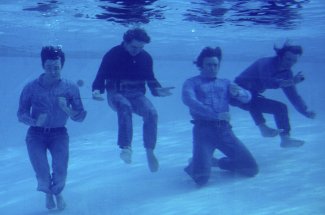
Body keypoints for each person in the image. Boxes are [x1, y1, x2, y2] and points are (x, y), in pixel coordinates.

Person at [92, 27, 173, 172]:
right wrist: (96, 91)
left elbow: (151, 78)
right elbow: (100, 75)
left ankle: (149, 150)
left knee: (152, 113)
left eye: (141, 47)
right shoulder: (113, 54)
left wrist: (157, 90)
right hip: (115, 92)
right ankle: (126, 148)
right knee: (125, 106)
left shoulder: (146, 57)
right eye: (134, 47)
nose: (137, 50)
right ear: (125, 42)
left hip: (136, 94)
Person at [17, 46, 87, 210]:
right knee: (42, 172)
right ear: (43, 66)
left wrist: (67, 110)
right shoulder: (31, 87)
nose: (53, 71)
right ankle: (48, 193)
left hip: (59, 134)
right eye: (49, 67)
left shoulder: (70, 87)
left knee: (61, 171)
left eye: (57, 68)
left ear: (62, 65)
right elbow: (21, 114)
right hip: (35, 135)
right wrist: (35, 121)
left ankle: (58, 193)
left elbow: (81, 116)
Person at [182, 47, 258, 186]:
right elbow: (189, 101)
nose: (213, 68)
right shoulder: (191, 82)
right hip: (203, 132)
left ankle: (216, 162)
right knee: (201, 180)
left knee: (251, 169)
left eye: (215, 65)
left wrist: (238, 93)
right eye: (209, 65)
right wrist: (216, 115)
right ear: (201, 65)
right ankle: (195, 165)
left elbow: (248, 98)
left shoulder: (226, 83)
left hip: (225, 132)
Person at [234, 41, 315, 148]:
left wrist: (305, 111)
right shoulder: (265, 63)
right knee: (250, 96)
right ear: (280, 56)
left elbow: (293, 96)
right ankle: (263, 127)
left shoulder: (287, 73)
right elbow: (267, 82)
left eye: (294, 61)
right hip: (235, 93)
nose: (290, 63)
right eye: (288, 59)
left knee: (281, 108)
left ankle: (285, 139)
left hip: (252, 97)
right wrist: (292, 81)